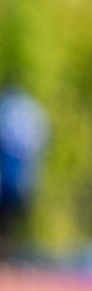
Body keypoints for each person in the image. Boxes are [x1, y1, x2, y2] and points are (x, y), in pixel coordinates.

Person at [0, 85, 49, 262]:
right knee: (11, 218)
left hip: (7, 172)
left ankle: (7, 253)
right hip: (24, 174)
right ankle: (9, 252)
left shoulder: (6, 107)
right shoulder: (34, 110)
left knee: (5, 216)